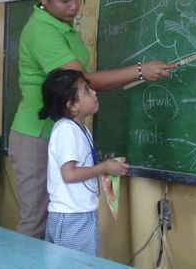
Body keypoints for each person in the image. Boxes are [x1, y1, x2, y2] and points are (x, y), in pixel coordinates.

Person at [9, 0, 176, 239]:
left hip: (65, 131)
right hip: (37, 136)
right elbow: (79, 81)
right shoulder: (41, 31)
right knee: (36, 223)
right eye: (65, 1)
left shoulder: (62, 24)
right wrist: (139, 70)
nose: (74, 7)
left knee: (63, 222)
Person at [39, 69, 129, 255]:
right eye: (87, 90)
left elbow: (80, 167)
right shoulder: (66, 131)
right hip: (72, 217)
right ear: (72, 105)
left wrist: (104, 168)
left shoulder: (80, 129)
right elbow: (69, 174)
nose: (94, 93)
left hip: (80, 214)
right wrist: (103, 167)